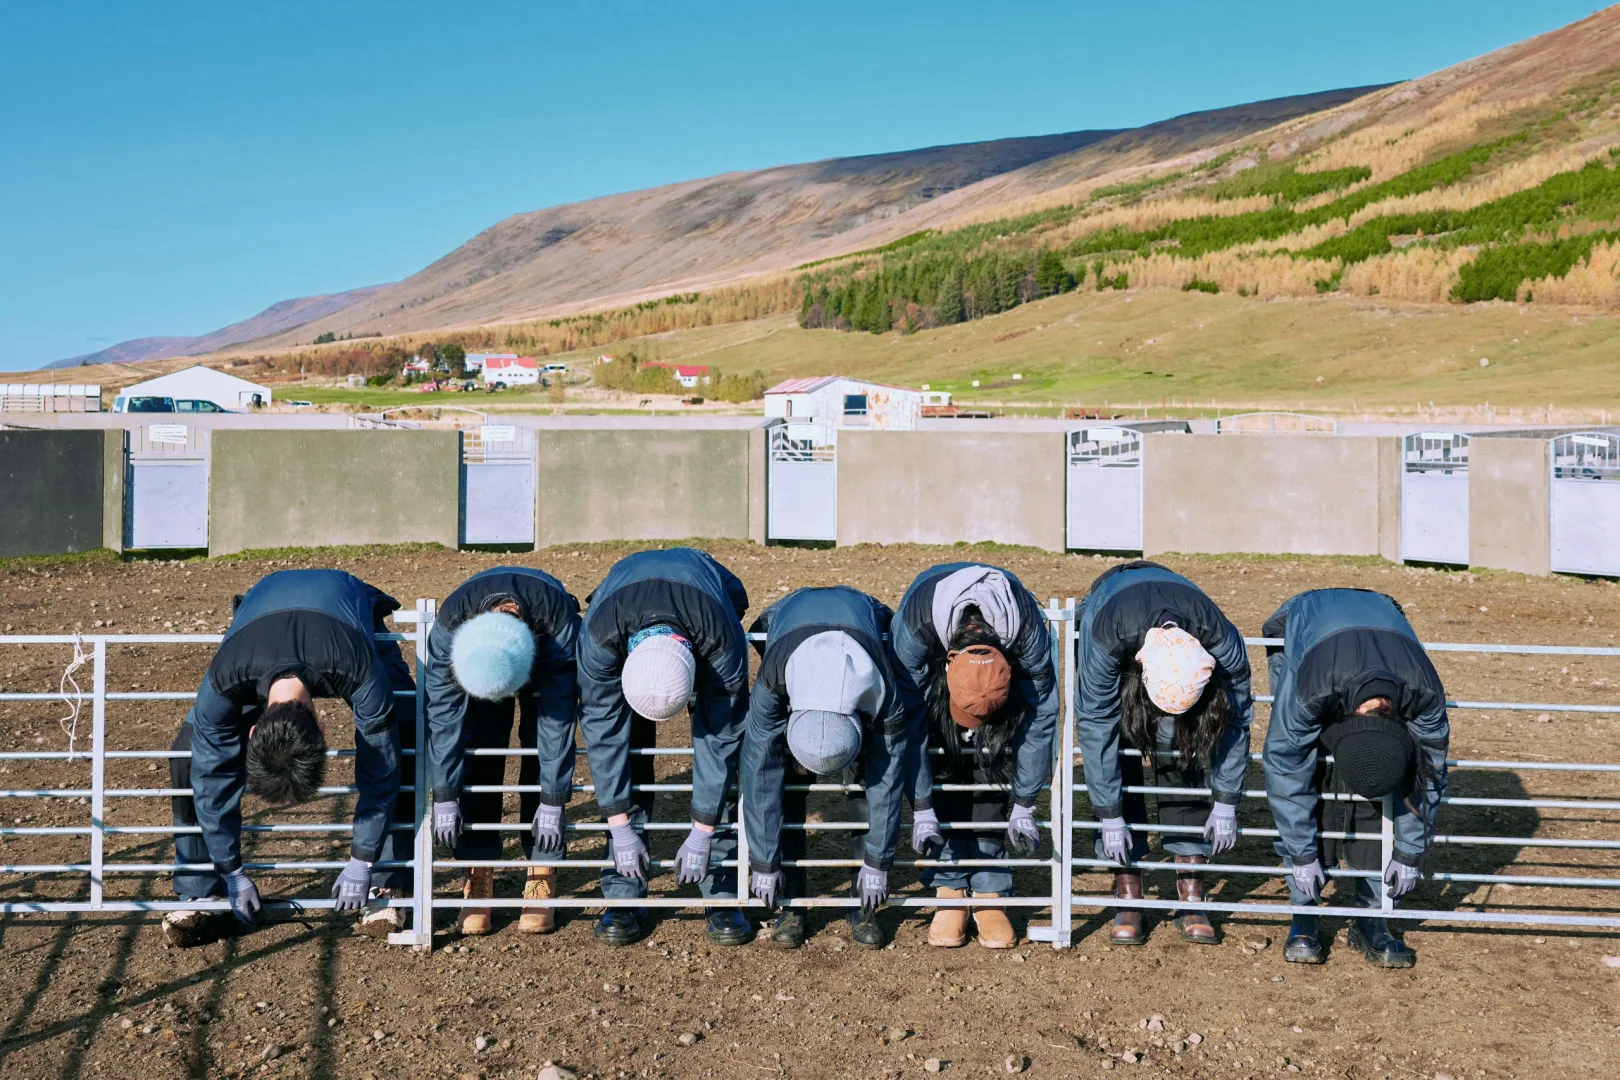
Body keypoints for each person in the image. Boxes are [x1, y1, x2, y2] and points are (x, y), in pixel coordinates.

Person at [161, 569, 414, 947]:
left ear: (324, 731)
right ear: (252, 729)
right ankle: (202, 889)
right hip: (260, 616)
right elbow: (210, 775)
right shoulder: (227, 677)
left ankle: (386, 883)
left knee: (403, 735)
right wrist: (231, 870)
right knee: (187, 754)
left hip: (344, 610)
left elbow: (382, 765)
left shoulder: (357, 668)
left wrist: (362, 859)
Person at [1263, 588, 1449, 969]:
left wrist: (1410, 851)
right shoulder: (1310, 691)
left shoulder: (1424, 694)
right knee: (1309, 765)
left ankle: (1373, 913)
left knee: (1382, 775)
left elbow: (1428, 773)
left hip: (1381, 614)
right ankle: (1305, 911)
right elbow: (1284, 762)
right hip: (1304, 621)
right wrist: (1301, 853)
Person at [577, 547, 751, 947]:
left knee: (721, 756)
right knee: (627, 753)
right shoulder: (599, 638)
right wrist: (619, 828)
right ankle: (623, 890)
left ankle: (721, 886)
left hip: (706, 611)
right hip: (622, 611)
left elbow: (720, 744)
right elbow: (604, 739)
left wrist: (703, 831)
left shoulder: (723, 645)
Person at [1076, 561, 1254, 945]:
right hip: (1115, 612)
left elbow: (1237, 722)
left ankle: (1191, 886)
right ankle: (1128, 888)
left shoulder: (1222, 641)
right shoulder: (1106, 635)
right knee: (1118, 744)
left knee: (1188, 740)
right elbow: (1095, 726)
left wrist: (1226, 802)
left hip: (1173, 610)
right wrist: (1109, 814)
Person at [891, 562, 1060, 950]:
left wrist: (1025, 803)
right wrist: (920, 806)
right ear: (950, 659)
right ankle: (949, 886)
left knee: (993, 758)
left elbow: (1042, 714)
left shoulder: (1027, 633)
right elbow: (908, 720)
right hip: (932, 666)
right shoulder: (917, 630)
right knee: (943, 756)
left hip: (1003, 664)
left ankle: (990, 888)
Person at [739, 586, 916, 949]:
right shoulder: (774, 681)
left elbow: (889, 781)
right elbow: (759, 775)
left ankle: (862, 903)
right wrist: (763, 861)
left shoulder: (883, 692)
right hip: (789, 620)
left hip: (860, 616)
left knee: (868, 781)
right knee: (784, 783)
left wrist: (880, 862)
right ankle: (791, 904)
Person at [424, 566, 581, 936]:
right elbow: (444, 721)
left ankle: (541, 871)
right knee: (477, 746)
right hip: (485, 654)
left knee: (539, 746)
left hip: (544, 644)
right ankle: (478, 872)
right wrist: (445, 795)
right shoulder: (450, 632)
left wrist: (554, 799)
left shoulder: (559, 626)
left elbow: (556, 728)